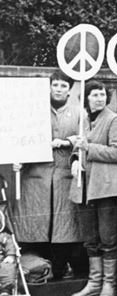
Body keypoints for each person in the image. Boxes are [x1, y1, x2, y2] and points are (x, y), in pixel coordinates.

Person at [11, 71, 82, 280]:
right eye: (55, 85)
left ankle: (61, 266)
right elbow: (20, 136)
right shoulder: (35, 110)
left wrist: (67, 142)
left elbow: (85, 137)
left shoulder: (79, 112)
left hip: (63, 174)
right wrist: (18, 158)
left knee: (64, 223)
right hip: (36, 174)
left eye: (63, 86)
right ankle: (38, 267)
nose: (59, 89)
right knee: (35, 220)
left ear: (70, 89)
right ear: (49, 87)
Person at [69, 81, 117, 296]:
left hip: (106, 188)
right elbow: (78, 147)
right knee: (90, 237)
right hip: (84, 187)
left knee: (107, 237)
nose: (99, 98)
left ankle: (109, 283)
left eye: (102, 94)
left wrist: (88, 149)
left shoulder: (114, 120)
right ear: (87, 98)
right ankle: (94, 282)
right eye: (94, 95)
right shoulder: (84, 120)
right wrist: (75, 159)